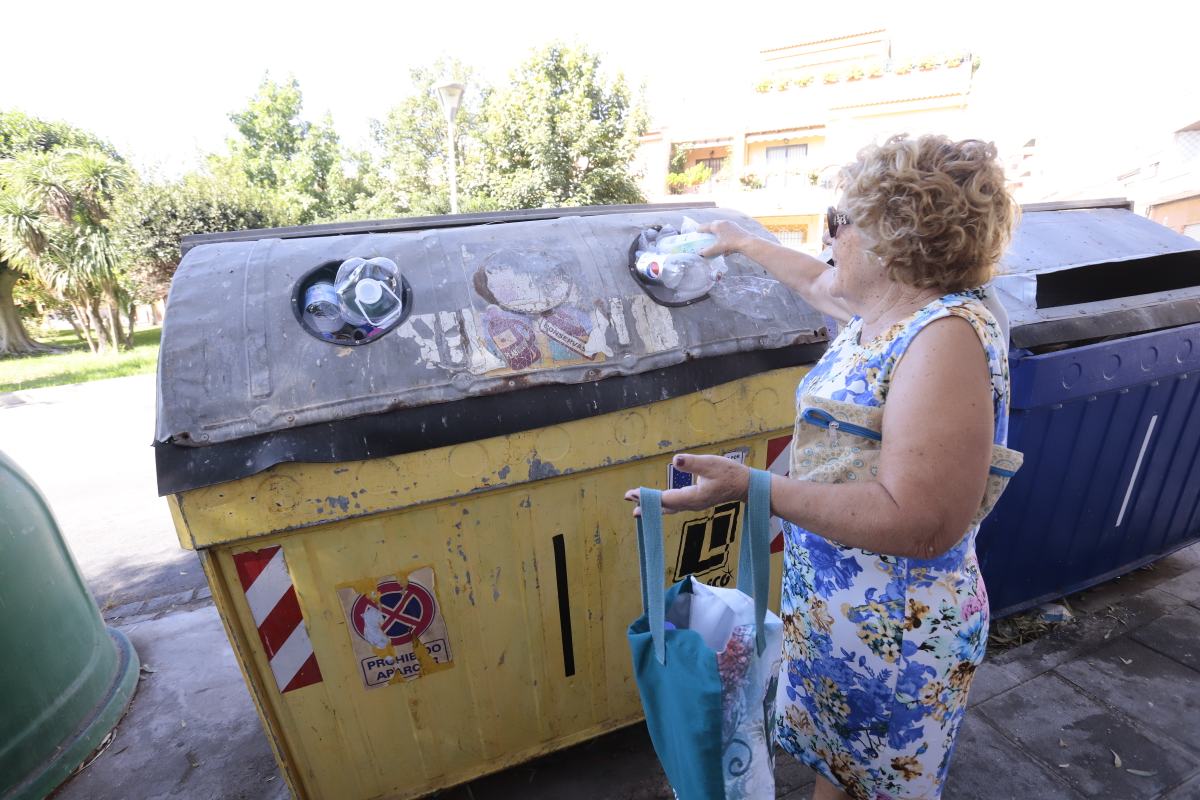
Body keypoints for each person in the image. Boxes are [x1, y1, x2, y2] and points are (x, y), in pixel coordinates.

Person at [625, 134, 1018, 800]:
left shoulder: (944, 336)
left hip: (897, 636)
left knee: (875, 782)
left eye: (839, 222)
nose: (826, 236)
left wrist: (753, 488)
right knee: (835, 766)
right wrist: (742, 242)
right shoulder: (884, 313)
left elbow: (919, 520)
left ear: (897, 240)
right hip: (838, 612)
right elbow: (814, 279)